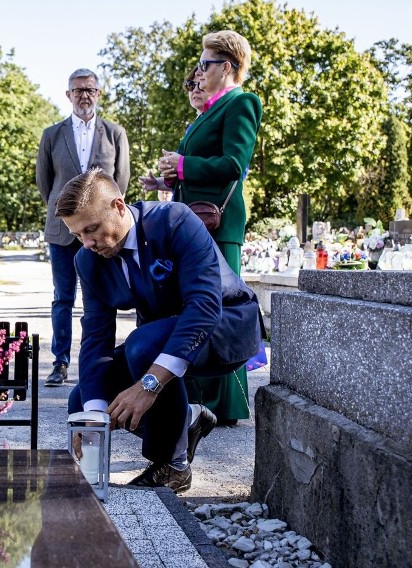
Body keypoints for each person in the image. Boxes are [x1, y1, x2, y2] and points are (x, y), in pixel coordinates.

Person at [56, 168, 261, 492]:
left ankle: (172, 463)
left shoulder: (174, 220)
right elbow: (96, 337)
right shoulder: (88, 260)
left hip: (225, 325)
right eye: (78, 234)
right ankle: (188, 419)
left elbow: (205, 306)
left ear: (119, 207)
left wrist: (148, 386)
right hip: (159, 340)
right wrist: (93, 418)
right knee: (82, 398)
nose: (87, 242)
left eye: (92, 229)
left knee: (141, 344)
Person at [156, 30, 263, 426]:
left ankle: (228, 406)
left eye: (205, 64)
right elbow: (198, 166)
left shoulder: (242, 103)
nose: (199, 71)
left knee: (223, 309)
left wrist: (183, 166)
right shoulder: (209, 112)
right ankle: (198, 398)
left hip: (219, 222)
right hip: (194, 219)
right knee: (195, 305)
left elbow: (234, 163)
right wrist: (170, 176)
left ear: (228, 67)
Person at [36, 68, 130, 387]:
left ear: (98, 93)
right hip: (62, 231)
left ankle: (99, 363)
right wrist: (67, 214)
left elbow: (121, 182)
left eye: (90, 89)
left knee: (101, 297)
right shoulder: (52, 134)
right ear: (68, 95)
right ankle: (60, 363)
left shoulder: (115, 133)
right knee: (63, 297)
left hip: (102, 229)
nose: (84, 95)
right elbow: (44, 182)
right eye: (78, 91)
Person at [139, 66, 205, 199]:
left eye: (201, 85)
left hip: (207, 210)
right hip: (185, 208)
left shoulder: (223, 119)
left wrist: (181, 163)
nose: (196, 90)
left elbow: (234, 170)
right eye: (191, 85)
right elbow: (184, 177)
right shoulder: (191, 128)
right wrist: (159, 182)